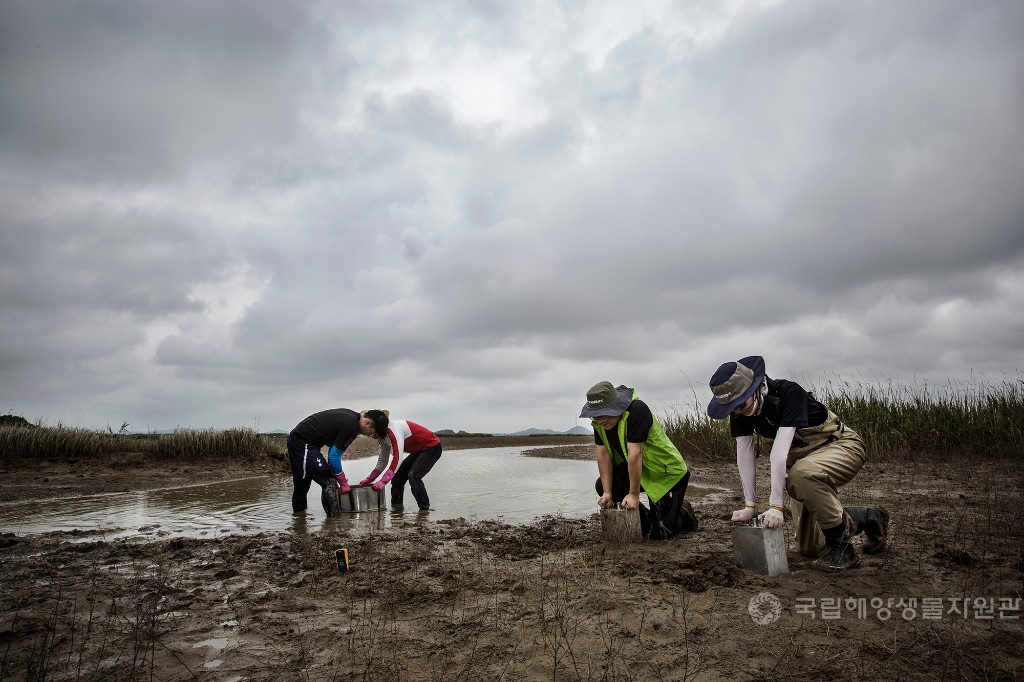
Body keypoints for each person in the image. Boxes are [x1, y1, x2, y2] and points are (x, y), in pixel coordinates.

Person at [707, 356, 889, 570]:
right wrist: (750, 505)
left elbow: (779, 454)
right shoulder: (740, 411)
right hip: (803, 464)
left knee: (800, 475)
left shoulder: (789, 392)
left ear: (754, 389)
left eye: (740, 404)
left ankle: (843, 551)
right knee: (810, 548)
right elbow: (744, 454)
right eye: (732, 408)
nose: (738, 411)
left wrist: (776, 506)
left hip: (840, 446)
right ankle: (867, 516)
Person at [581, 381, 697, 540]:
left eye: (605, 414)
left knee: (661, 535)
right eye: (596, 416)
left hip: (665, 474)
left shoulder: (637, 411)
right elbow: (603, 454)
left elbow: (635, 453)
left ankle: (684, 512)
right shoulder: (599, 423)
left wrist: (633, 494)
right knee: (602, 485)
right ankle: (647, 519)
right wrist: (608, 492)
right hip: (639, 471)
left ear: (617, 406)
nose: (601, 420)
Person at [287, 408, 389, 515]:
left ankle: (299, 519)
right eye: (372, 433)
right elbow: (334, 457)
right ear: (368, 423)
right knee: (329, 482)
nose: (370, 435)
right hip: (303, 443)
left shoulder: (351, 418)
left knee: (302, 485)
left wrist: (333, 470)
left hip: (303, 443)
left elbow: (333, 449)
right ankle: (334, 523)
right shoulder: (351, 427)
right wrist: (343, 482)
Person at [359, 414, 442, 511]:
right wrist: (370, 479)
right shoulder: (382, 438)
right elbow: (383, 461)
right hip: (418, 450)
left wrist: (383, 481)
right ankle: (397, 510)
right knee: (397, 477)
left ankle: (424, 510)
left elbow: (398, 458)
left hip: (432, 447)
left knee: (414, 475)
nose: (369, 434)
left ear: (378, 427)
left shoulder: (394, 430)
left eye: (371, 430)